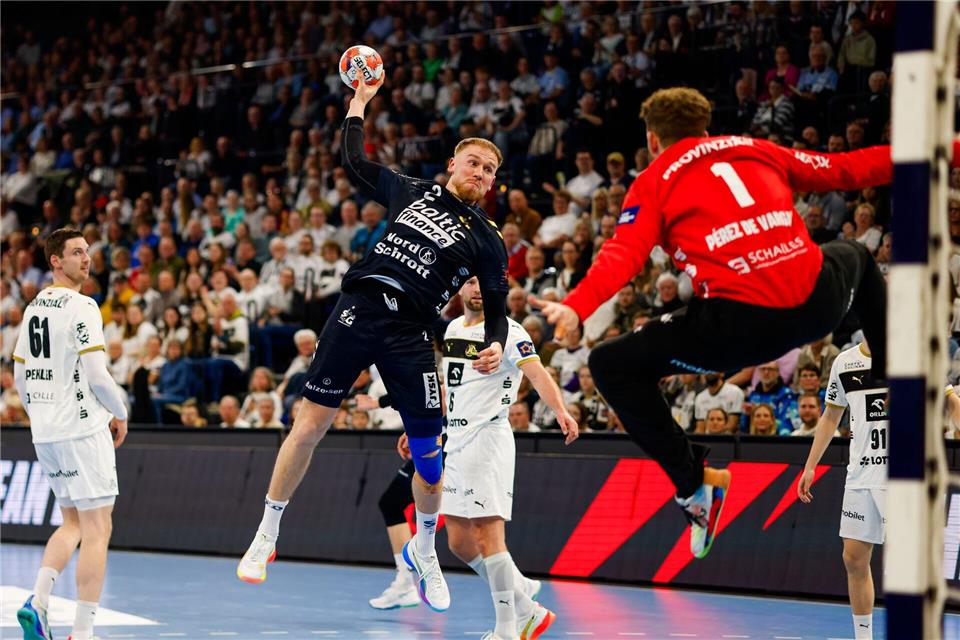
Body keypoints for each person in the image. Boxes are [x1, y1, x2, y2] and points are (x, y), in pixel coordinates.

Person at [533, 87, 891, 560]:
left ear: (653, 139)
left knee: (610, 364)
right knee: (857, 255)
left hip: (740, 329)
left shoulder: (654, 181)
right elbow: (846, 168)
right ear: (705, 128)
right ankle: (892, 374)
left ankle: (693, 485)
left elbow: (623, 254)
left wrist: (576, 307)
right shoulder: (753, 148)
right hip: (817, 302)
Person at [237, 75, 511, 617]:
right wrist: (359, 103)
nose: (480, 173)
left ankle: (424, 552)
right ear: (453, 165)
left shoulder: (487, 238)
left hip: (411, 333)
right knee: (308, 425)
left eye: (489, 169)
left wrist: (497, 344)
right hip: (358, 311)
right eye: (473, 162)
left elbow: (498, 310)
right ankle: (267, 532)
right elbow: (355, 162)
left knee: (430, 457)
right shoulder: (411, 190)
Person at [434, 276, 575, 639]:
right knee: (458, 542)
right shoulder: (452, 328)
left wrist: (560, 411)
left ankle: (507, 630)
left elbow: (537, 373)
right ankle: (527, 608)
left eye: (483, 283)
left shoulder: (508, 330)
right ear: (460, 288)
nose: (477, 289)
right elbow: (452, 388)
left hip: (488, 439)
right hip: (456, 440)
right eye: (470, 282)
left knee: (488, 535)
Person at [14, 227, 129, 640]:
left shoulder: (33, 308)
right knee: (98, 530)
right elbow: (98, 376)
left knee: (72, 523)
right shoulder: (83, 306)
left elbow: (20, 375)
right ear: (56, 261)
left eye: (87, 251)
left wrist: (40, 415)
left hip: (47, 433)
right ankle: (82, 632)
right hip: (81, 429)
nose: (87, 258)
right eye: (77, 252)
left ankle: (39, 601)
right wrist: (120, 413)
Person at [799, 340, 887, 640]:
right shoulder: (845, 362)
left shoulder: (914, 354)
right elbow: (830, 415)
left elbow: (948, 399)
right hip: (860, 475)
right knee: (853, 558)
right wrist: (810, 466)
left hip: (902, 477)